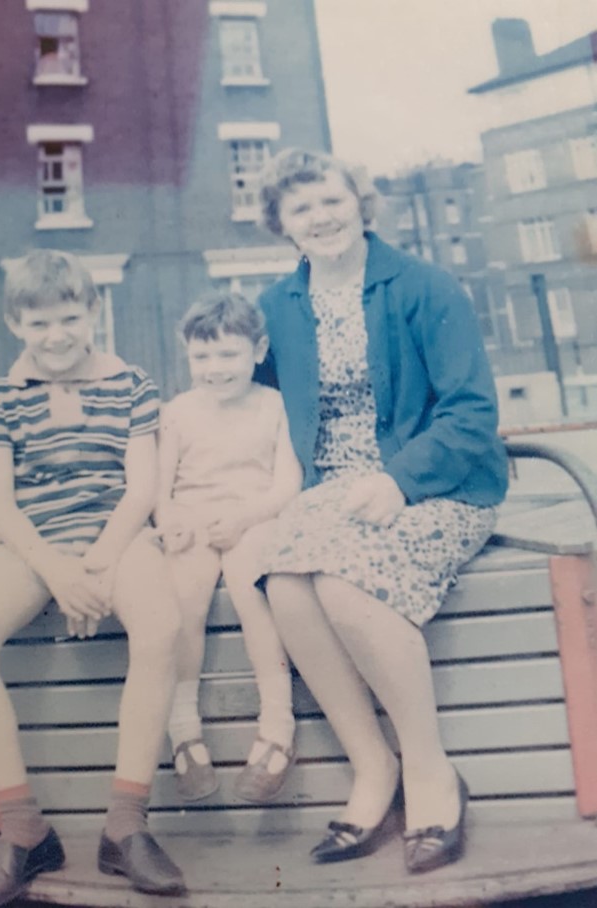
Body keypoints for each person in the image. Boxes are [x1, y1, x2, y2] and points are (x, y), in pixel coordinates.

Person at [255, 149, 509, 874]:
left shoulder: (425, 287)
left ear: (359, 201)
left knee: (342, 581)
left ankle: (429, 770)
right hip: (329, 492)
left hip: (437, 483)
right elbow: (257, 407)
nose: (321, 216)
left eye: (331, 199)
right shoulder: (277, 307)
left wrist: (398, 480)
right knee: (285, 582)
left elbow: (470, 412)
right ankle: (373, 768)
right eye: (301, 209)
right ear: (282, 225)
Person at [0, 249, 186, 906]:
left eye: (70, 319)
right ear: (14, 323)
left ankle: (124, 828)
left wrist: (99, 562)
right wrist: (57, 570)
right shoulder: (0, 398)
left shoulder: (131, 384)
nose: (56, 336)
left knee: (161, 628)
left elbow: (140, 489)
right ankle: (25, 833)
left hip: (115, 532)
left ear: (94, 312)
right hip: (30, 543)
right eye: (39, 323)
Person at [157, 293, 303, 803]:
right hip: (194, 522)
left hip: (254, 517)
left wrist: (245, 518)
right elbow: (162, 489)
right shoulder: (177, 413)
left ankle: (278, 724)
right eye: (202, 357)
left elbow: (286, 484)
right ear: (186, 354)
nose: (215, 369)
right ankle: (182, 725)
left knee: (254, 594)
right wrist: (171, 520)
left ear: (258, 350)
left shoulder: (275, 407)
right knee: (185, 599)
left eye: (228, 355)